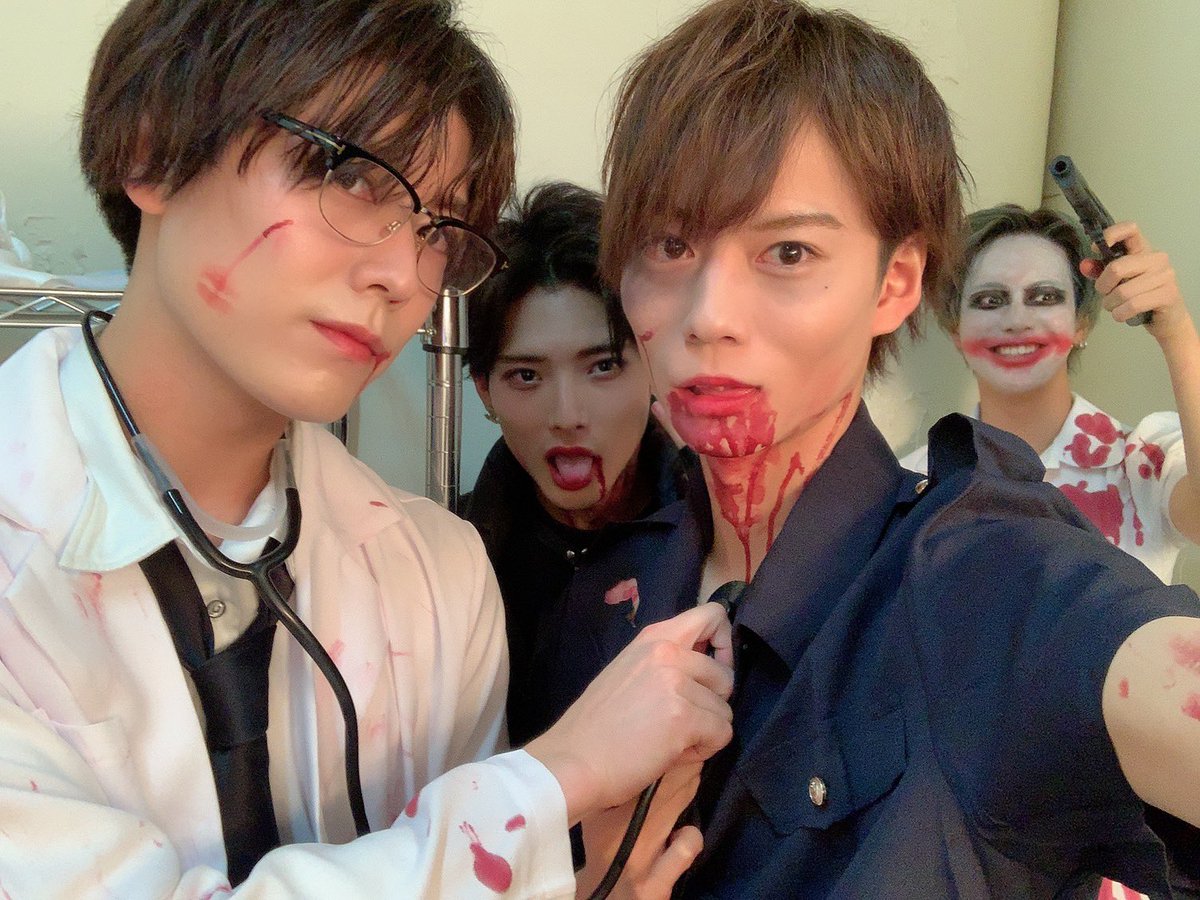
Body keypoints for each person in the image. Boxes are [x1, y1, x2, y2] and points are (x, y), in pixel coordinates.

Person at [0, 1, 736, 896]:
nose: (401, 275)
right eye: (349, 175)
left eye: (438, 232)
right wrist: (556, 777)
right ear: (153, 152)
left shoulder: (441, 575)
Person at [529, 0, 1200, 896]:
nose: (708, 316)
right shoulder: (603, 592)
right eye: (669, 245)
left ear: (896, 284)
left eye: (789, 252)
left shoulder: (987, 584)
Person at [461, 181, 689, 748]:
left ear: (653, 364)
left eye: (603, 366)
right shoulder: (454, 559)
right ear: (485, 391)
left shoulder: (714, 540)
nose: (566, 416)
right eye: (526, 376)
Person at [901, 204, 1200, 585]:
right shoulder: (913, 483)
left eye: (1044, 297)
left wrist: (1176, 332)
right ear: (955, 330)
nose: (1017, 321)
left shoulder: (1142, 461)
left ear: (1081, 323)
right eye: (990, 300)